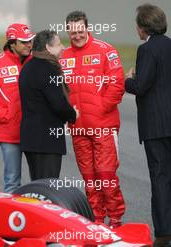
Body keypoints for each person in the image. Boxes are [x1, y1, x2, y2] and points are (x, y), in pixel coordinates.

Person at [61, 11, 125, 228]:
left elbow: (117, 85)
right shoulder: (63, 56)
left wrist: (100, 109)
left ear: (87, 28)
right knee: (89, 178)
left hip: (104, 126)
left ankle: (115, 219)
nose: (77, 36)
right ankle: (96, 219)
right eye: (73, 32)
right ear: (68, 31)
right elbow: (59, 90)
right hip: (78, 129)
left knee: (106, 176)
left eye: (81, 31)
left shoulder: (105, 50)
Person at [125, 4, 171, 247]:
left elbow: (141, 86)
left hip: (156, 124)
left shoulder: (147, 49)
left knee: (160, 177)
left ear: (143, 27)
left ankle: (164, 232)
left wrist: (128, 80)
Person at [19, 30, 76, 180]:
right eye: (58, 44)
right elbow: (58, 104)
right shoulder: (48, 69)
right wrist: (73, 114)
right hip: (46, 140)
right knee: (47, 188)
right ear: (48, 48)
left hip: (31, 138)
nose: (63, 47)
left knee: (38, 187)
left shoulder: (27, 67)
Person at [0, 23, 35, 193]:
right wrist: (5, 115)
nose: (29, 45)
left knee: (39, 182)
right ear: (12, 43)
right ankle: (9, 219)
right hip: (9, 132)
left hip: (34, 131)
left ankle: (37, 218)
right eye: (24, 42)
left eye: (30, 41)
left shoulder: (36, 62)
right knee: (12, 181)